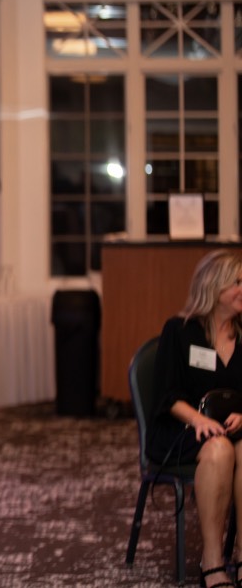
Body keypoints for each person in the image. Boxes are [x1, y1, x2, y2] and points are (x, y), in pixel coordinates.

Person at [148, 249, 242, 588]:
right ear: (215, 288)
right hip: (181, 428)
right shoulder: (180, 330)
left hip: (233, 430)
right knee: (219, 450)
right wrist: (199, 420)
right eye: (238, 282)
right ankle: (213, 560)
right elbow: (166, 395)